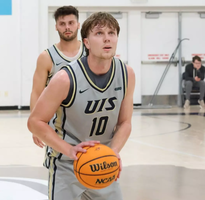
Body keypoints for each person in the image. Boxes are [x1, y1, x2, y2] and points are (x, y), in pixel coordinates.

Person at [28, 12, 135, 200]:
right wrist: (69, 150)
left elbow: (125, 122)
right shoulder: (65, 78)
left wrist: (113, 151)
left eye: (112, 33)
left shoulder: (126, 74)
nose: (107, 38)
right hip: (67, 164)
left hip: (102, 163)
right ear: (86, 42)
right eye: (99, 34)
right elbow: (35, 122)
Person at [30, 6, 86, 150]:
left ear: (78, 24)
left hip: (87, 122)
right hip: (58, 128)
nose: (67, 27)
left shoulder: (90, 52)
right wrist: (35, 126)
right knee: (59, 167)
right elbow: (37, 92)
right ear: (56, 27)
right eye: (62, 24)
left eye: (71, 23)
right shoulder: (47, 57)